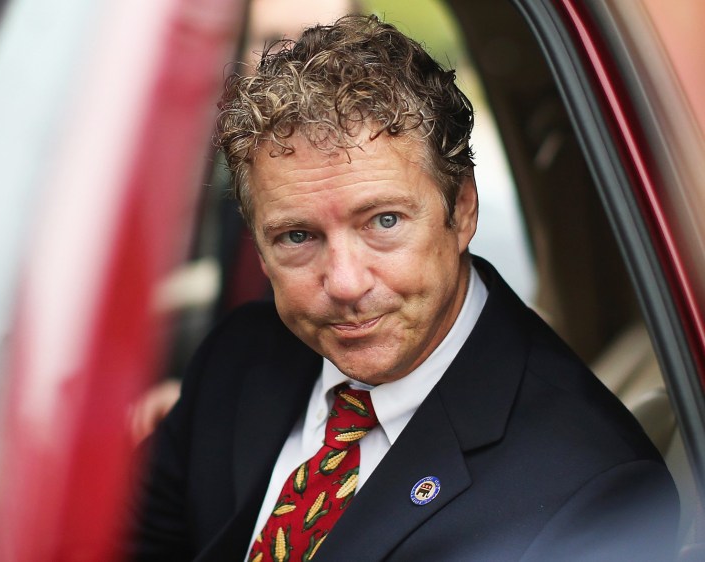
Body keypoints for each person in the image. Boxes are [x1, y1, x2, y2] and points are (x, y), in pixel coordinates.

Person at [130, 14, 679, 561]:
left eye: (384, 221)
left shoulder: (592, 488)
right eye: (298, 236)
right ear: (258, 246)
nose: (346, 283)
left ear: (462, 210)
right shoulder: (239, 356)